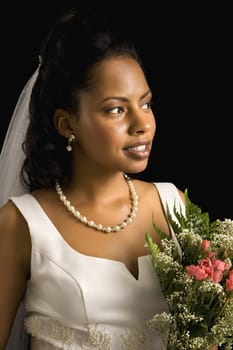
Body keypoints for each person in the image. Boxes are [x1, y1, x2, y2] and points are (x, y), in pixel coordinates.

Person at [0, 8, 187, 350]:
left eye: (145, 104)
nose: (141, 124)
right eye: (116, 109)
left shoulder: (173, 204)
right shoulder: (20, 224)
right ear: (67, 124)